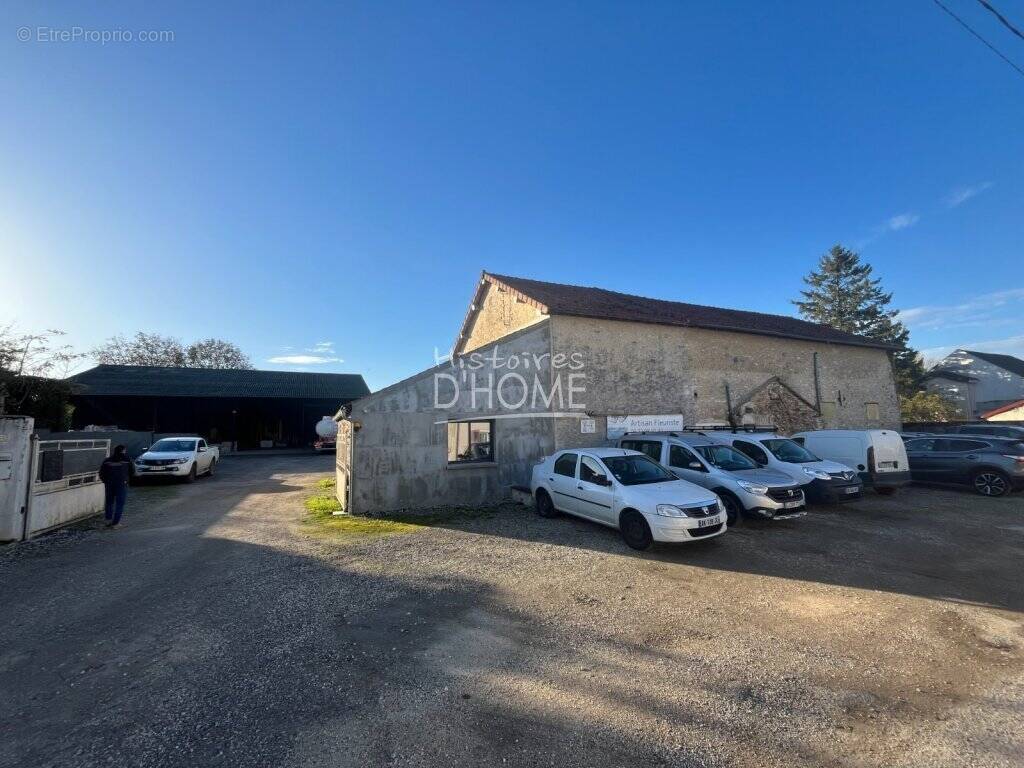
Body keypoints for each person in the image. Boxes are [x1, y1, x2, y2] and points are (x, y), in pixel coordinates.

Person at [99, 445, 131, 528]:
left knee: (109, 502)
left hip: (109, 484)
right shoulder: (127, 460)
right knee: (119, 504)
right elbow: (132, 471)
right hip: (121, 484)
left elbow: (101, 473)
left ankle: (108, 521)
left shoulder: (107, 460)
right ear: (123, 451)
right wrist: (127, 480)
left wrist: (105, 481)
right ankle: (116, 523)